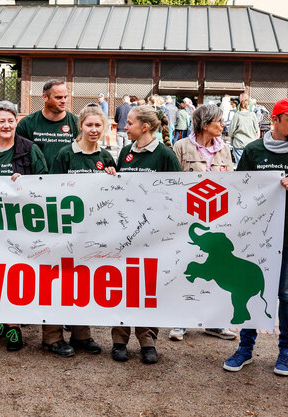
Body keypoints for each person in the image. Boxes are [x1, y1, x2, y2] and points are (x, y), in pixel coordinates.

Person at [223, 98, 288, 376]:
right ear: (275, 120)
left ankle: (286, 351)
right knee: (248, 289)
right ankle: (245, 348)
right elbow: (240, 189)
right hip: (255, 238)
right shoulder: (253, 151)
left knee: (286, 294)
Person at [0, 100, 48, 352]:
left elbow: (46, 182)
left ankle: (15, 327)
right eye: (0, 121)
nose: (6, 125)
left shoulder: (29, 149)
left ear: (17, 122)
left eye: (10, 121)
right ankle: (3, 320)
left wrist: (27, 182)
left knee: (17, 273)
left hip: (20, 224)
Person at [111, 105, 181, 364]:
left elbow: (177, 194)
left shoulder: (165, 155)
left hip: (153, 235)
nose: (124, 127)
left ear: (145, 127)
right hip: (125, 233)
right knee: (123, 284)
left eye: (129, 123)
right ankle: (119, 340)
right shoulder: (125, 152)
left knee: (148, 286)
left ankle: (148, 340)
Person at [44, 104, 113, 357]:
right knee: (57, 281)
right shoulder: (65, 154)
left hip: (92, 231)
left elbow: (114, 196)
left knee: (83, 281)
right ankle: (51, 336)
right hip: (64, 228)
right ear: (80, 126)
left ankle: (82, 334)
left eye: (98, 125)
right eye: (89, 125)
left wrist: (113, 176)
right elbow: (50, 189)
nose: (93, 130)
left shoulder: (105, 157)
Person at [170, 103, 236, 341]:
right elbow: (173, 182)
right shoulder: (181, 147)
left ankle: (215, 322)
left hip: (217, 219)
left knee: (218, 269)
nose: (222, 125)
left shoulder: (224, 150)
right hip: (188, 219)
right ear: (205, 124)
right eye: (218, 121)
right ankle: (181, 320)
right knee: (186, 268)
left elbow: (230, 183)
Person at [16, 79, 79, 170]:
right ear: (45, 97)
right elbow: (19, 156)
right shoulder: (27, 123)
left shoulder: (76, 123)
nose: (64, 101)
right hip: (36, 180)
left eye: (65, 97)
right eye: (58, 97)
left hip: (67, 181)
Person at [228, 94, 260, 163]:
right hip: (251, 143)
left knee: (240, 164)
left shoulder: (236, 115)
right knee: (250, 163)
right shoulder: (253, 115)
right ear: (248, 106)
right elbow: (256, 129)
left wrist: (230, 136)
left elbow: (231, 130)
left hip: (239, 143)